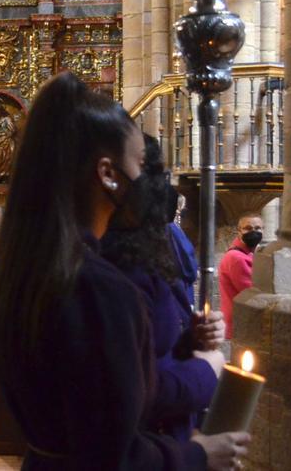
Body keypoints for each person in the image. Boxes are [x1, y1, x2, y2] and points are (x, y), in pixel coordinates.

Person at [0, 72, 248, 470]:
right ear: (107, 174)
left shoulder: (26, 271)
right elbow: (112, 457)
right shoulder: (97, 288)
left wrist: (181, 345)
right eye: (139, 163)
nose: (147, 179)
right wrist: (197, 454)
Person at [101, 135, 225, 447]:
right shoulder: (107, 269)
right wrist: (206, 371)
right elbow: (126, 393)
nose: (158, 187)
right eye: (148, 171)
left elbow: (152, 345)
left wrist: (190, 340)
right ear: (108, 176)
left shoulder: (142, 247)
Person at [220, 213, 263, 339]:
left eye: (258, 228)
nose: (253, 231)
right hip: (240, 320)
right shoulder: (236, 258)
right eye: (248, 228)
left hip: (244, 319)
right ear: (239, 231)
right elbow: (250, 292)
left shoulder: (248, 253)